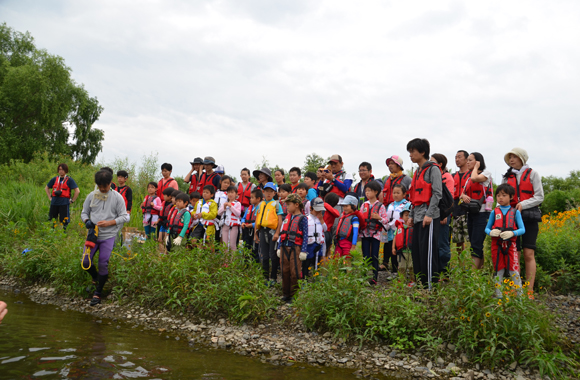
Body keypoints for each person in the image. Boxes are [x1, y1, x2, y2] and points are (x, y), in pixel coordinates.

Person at [81, 169, 130, 306]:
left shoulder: (117, 198)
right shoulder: (92, 195)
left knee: (103, 262)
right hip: (93, 234)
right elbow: (84, 212)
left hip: (109, 235)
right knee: (85, 262)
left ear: (110, 183)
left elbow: (124, 217)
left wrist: (109, 223)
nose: (102, 189)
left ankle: (98, 292)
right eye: (100, 186)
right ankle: (97, 278)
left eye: (105, 186)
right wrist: (87, 221)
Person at [502, 147, 544, 297]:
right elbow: (502, 197)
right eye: (510, 157)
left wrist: (523, 204)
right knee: (515, 254)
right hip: (512, 218)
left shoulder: (533, 174)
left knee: (528, 253)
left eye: (514, 157)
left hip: (530, 217)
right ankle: (516, 289)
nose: (511, 160)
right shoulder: (507, 177)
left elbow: (540, 197)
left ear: (522, 158)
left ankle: (529, 290)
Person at [407, 138, 442, 289]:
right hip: (418, 216)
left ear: (422, 152)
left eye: (413, 151)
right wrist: (410, 216)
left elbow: (437, 193)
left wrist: (429, 214)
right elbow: (415, 197)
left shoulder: (433, 169)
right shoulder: (417, 172)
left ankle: (430, 287)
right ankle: (420, 284)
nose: (410, 155)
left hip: (429, 217)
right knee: (417, 251)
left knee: (428, 252)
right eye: (409, 152)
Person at [485, 184, 525, 298]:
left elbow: (522, 229)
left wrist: (513, 233)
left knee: (514, 270)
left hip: (510, 245)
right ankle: (499, 296)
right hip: (496, 245)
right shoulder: (494, 212)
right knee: (498, 269)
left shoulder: (515, 212)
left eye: (504, 195)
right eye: (498, 195)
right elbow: (487, 228)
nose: (500, 198)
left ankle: (520, 297)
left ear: (511, 197)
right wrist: (490, 232)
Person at [460, 152, 492, 270]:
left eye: (470, 160)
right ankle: (480, 272)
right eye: (467, 160)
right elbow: (462, 193)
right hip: (471, 213)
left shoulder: (486, 174)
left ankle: (473, 275)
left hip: (482, 213)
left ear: (478, 161)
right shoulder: (468, 178)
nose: (467, 162)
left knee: (476, 244)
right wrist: (463, 196)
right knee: (474, 243)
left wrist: (477, 167)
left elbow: (475, 178)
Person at [277, 193, 308, 302]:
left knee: (294, 272)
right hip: (284, 247)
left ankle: (294, 295)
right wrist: (278, 247)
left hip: (296, 248)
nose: (286, 207)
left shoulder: (303, 219)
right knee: (284, 271)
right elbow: (282, 233)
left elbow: (305, 236)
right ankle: (286, 294)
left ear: (296, 204)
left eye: (288, 204)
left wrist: (303, 251)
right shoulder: (287, 217)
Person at [254, 182, 284, 286]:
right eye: (266, 191)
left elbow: (280, 220)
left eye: (271, 191)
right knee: (265, 256)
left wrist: (277, 233)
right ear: (263, 192)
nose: (268, 193)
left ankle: (274, 278)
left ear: (274, 192)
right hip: (262, 231)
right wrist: (255, 234)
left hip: (272, 232)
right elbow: (257, 219)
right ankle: (265, 277)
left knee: (273, 255)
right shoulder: (260, 204)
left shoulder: (276, 204)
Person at [360, 181, 389, 284]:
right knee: (365, 256)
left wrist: (379, 218)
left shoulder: (380, 206)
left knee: (374, 256)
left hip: (376, 234)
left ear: (376, 192)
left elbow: (386, 220)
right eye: (366, 191)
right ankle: (363, 277)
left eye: (369, 191)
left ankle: (374, 278)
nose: (367, 193)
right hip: (365, 233)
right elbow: (360, 217)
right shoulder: (364, 205)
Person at [430, 153, 455, 274]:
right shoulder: (431, 176)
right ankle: (436, 268)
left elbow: (448, 199)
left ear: (440, 164)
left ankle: (444, 270)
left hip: (442, 214)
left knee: (443, 242)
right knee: (435, 242)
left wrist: (444, 214)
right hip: (432, 213)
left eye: (432, 161)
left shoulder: (447, 177)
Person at [382, 184, 411, 274]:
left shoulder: (407, 204)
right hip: (391, 233)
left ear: (404, 194)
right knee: (392, 251)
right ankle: (394, 272)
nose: (395, 195)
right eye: (394, 193)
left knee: (402, 252)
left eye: (398, 193)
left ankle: (405, 271)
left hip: (402, 233)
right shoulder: (391, 205)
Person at [45, 163, 80, 229]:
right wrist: (50, 197)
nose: (61, 171)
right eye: (59, 169)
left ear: (66, 170)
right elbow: (46, 188)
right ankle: (52, 231)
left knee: (64, 219)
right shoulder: (54, 179)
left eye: (62, 169)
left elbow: (77, 191)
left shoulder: (69, 180)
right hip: (54, 201)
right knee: (52, 218)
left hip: (64, 202)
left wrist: (72, 200)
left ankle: (64, 233)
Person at [452, 150, 470, 254]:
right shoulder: (453, 175)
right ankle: (461, 266)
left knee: (470, 238)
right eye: (455, 157)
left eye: (459, 157)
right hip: (456, 209)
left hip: (468, 208)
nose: (457, 160)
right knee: (458, 240)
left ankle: (473, 267)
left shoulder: (472, 174)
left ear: (467, 159)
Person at [392, 204, 415, 283]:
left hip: (411, 251)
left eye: (409, 215)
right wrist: (393, 248)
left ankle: (412, 280)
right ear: (402, 216)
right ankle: (402, 280)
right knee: (401, 267)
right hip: (401, 251)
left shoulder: (414, 228)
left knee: (411, 266)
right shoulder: (399, 227)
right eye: (406, 215)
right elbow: (395, 237)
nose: (408, 217)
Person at [304, 197, 326, 277]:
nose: (319, 211)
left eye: (320, 210)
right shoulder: (306, 218)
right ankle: (304, 278)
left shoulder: (319, 219)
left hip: (318, 243)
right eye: (316, 209)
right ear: (311, 208)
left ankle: (316, 279)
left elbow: (325, 229)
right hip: (309, 243)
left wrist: (322, 220)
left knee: (317, 262)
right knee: (306, 262)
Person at [241, 188, 263, 262]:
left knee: (255, 249)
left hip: (255, 231)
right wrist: (243, 223)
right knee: (246, 247)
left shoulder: (261, 208)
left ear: (258, 199)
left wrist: (252, 225)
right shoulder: (250, 208)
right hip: (247, 231)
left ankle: (255, 265)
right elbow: (243, 217)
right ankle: (246, 265)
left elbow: (260, 220)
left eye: (252, 197)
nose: (250, 199)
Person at [218, 186, 242, 251]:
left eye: (232, 192)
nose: (230, 194)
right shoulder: (224, 203)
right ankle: (225, 261)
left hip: (234, 226)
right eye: (228, 192)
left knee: (232, 245)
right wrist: (224, 207)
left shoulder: (238, 203)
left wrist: (231, 206)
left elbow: (238, 213)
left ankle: (233, 260)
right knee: (225, 245)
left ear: (236, 194)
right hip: (225, 225)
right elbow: (218, 213)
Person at [157, 187, 177, 253]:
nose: (163, 196)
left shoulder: (173, 206)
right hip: (162, 223)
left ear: (170, 196)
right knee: (160, 239)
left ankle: (166, 253)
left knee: (166, 240)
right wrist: (158, 221)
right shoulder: (164, 203)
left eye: (165, 195)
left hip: (167, 224)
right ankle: (161, 253)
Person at [214, 175, 233, 242]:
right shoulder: (216, 192)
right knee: (215, 235)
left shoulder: (229, 194)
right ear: (220, 182)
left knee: (222, 236)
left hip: (224, 216)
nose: (226, 184)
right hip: (214, 216)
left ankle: (222, 251)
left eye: (228, 183)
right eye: (225, 182)